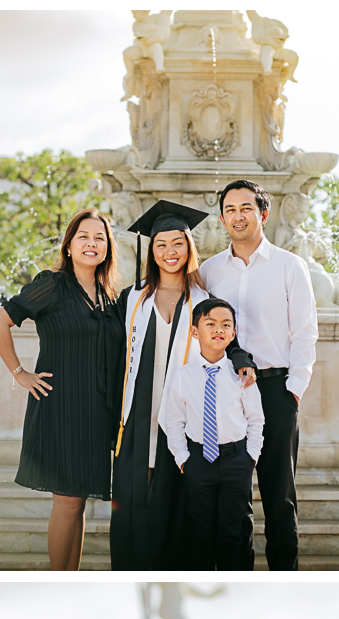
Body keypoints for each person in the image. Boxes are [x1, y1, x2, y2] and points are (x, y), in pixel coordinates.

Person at [110, 200, 256, 571]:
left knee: (177, 485)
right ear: (152, 251)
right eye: (161, 244)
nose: (169, 252)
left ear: (189, 248)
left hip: (185, 406)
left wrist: (241, 358)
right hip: (140, 402)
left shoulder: (204, 300)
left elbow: (227, 340)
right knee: (138, 487)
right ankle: (135, 566)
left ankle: (173, 566)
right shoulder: (132, 297)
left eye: (178, 243)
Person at [200, 179, 318, 571]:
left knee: (279, 497)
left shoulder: (289, 265)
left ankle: (285, 580)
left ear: (262, 214)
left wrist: (293, 390)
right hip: (226, 394)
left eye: (246, 208)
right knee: (234, 499)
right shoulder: (209, 271)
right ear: (222, 218)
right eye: (230, 210)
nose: (238, 216)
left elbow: (304, 331)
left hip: (274, 390)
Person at [0, 208, 124, 570]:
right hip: (61, 406)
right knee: (67, 501)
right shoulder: (52, 284)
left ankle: (72, 574)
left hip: (98, 411)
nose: (92, 243)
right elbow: (2, 320)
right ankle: (58, 577)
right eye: (84, 236)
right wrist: (20, 372)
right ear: (69, 245)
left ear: (107, 248)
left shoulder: (108, 295)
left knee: (79, 501)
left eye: (100, 238)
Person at [166, 298, 264, 569]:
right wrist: (184, 459)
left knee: (235, 533)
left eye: (225, 324)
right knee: (201, 533)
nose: (218, 329)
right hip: (199, 461)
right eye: (210, 323)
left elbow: (256, 419)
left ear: (233, 333)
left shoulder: (242, 375)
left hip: (236, 460)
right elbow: (173, 421)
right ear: (195, 331)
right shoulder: (183, 376)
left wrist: (250, 457)